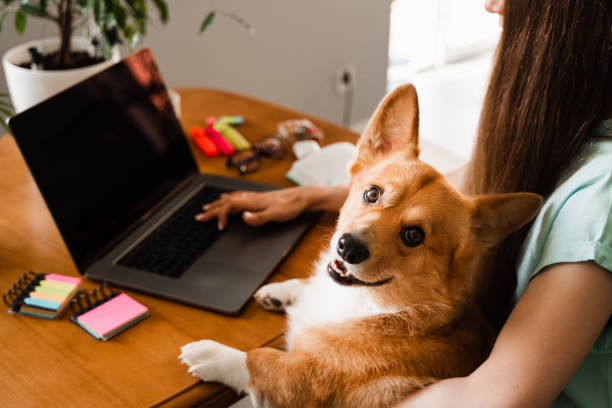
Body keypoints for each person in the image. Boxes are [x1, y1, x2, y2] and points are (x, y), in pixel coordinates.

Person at [196, 0, 612, 406]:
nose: (492, 5)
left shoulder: (601, 200)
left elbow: (492, 400)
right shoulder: (561, 136)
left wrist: (325, 388)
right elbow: (440, 194)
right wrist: (311, 196)